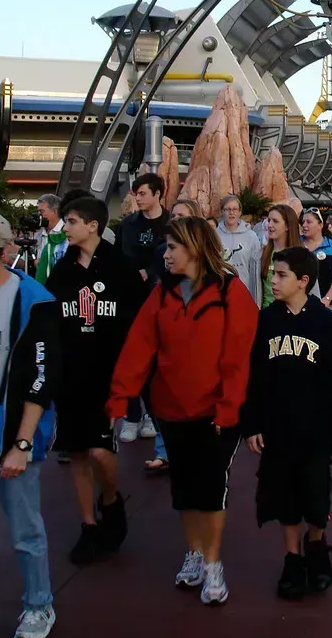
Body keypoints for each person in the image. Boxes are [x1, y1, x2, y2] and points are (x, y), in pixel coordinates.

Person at [106, 218, 258, 605]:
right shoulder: (163, 294)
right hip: (171, 409)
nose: (166, 254)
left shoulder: (229, 292)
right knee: (185, 489)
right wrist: (120, 398)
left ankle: (212, 563)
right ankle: (194, 553)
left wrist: (227, 410)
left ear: (194, 248)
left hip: (215, 413)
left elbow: (239, 358)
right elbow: (139, 347)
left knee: (210, 490)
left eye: (173, 247)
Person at [242, 247, 332, 601]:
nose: (273, 280)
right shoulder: (267, 320)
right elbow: (254, 375)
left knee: (316, 500)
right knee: (284, 498)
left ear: (303, 281)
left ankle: (316, 545)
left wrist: (330, 430)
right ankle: (292, 559)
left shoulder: (324, 323)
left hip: (314, 431)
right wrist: (253, 423)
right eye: (273, 274)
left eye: (281, 275)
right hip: (277, 429)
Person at [45, 196, 143, 565]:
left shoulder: (121, 268)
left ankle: (111, 500)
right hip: (71, 375)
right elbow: (52, 317)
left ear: (92, 226)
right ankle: (88, 526)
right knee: (78, 452)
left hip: (107, 375)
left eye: (71, 221)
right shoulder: (63, 270)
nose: (65, 227)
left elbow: (138, 325)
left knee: (102, 452)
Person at [0, 209, 60, 638]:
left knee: (27, 533)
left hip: (10, 442)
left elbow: (39, 380)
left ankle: (39, 606)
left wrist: (22, 445)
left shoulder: (33, 299)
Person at [143, 198, 204, 476]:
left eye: (182, 217)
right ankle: (163, 449)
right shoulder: (163, 288)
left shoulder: (223, 289)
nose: (166, 255)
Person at [115, 173, 171, 443]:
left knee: (157, 362)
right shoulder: (128, 224)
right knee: (131, 358)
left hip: (161, 303)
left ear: (158, 194)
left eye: (143, 193)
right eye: (136, 193)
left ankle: (151, 413)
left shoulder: (171, 223)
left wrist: (151, 272)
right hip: (130, 303)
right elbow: (120, 258)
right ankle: (132, 415)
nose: (138, 198)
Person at [217, 194, 262, 305]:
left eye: (234, 209)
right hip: (220, 291)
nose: (231, 212)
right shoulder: (214, 235)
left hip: (244, 290)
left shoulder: (251, 236)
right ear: (222, 212)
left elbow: (255, 269)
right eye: (227, 209)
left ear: (240, 212)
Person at [301, 209, 332, 306]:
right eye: (303, 222)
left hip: (325, 303)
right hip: (299, 304)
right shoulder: (296, 244)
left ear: (320, 225)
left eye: (309, 222)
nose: (304, 225)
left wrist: (327, 298)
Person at [261, 205, 302, 309]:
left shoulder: (301, 255)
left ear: (287, 226)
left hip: (293, 316)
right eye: (269, 220)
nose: (269, 225)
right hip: (266, 315)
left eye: (275, 221)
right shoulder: (260, 254)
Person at [35, 194, 65, 284]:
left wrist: (45, 262)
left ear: (55, 212)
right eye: (38, 212)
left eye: (42, 211)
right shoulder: (38, 234)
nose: (39, 215)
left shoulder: (66, 232)